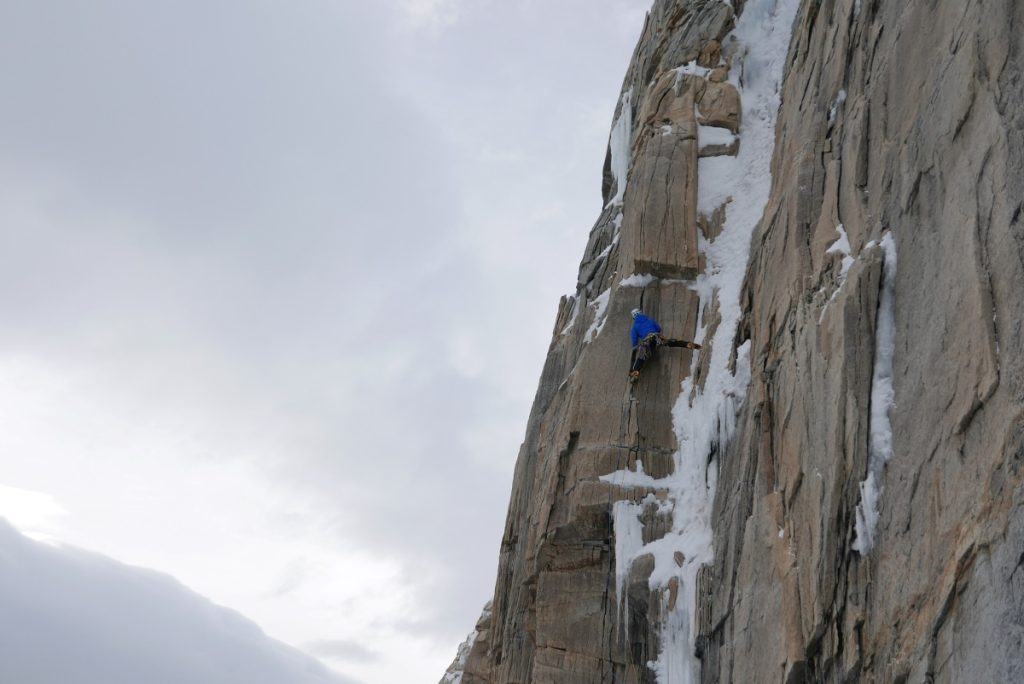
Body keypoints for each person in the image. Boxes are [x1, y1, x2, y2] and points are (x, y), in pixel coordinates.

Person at [629, 308, 701, 382]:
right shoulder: (650, 320)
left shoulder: (635, 327)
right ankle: (687, 344)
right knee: (670, 342)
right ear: (641, 313)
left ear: (634, 317)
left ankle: (636, 372)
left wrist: (634, 347)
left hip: (647, 341)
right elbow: (659, 328)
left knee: (642, 356)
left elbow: (634, 339)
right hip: (657, 337)